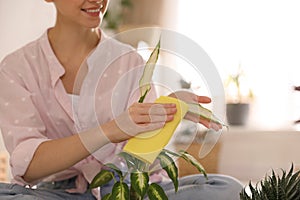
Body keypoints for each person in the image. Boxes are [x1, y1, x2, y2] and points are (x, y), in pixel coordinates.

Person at [0, 0, 243, 199]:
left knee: (228, 189)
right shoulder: (17, 68)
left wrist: (169, 110)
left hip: (126, 190)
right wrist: (111, 130)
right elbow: (29, 168)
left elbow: (140, 157)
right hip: (57, 194)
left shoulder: (129, 61)